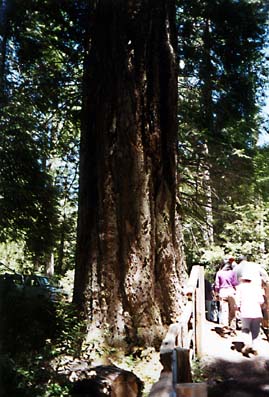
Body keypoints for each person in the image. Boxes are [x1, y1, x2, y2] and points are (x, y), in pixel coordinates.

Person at [235, 271, 265, 356]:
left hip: (245, 311)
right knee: (255, 330)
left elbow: (237, 301)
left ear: (243, 279)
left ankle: (247, 345)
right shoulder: (257, 288)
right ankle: (254, 346)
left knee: (245, 329)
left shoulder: (240, 288)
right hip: (256, 311)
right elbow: (261, 300)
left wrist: (237, 309)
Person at [214, 260, 238, 334]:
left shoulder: (219, 273)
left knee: (224, 311)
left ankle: (225, 327)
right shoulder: (232, 273)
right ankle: (232, 328)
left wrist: (217, 293)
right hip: (231, 291)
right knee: (232, 311)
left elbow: (217, 285)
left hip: (223, 292)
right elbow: (235, 283)